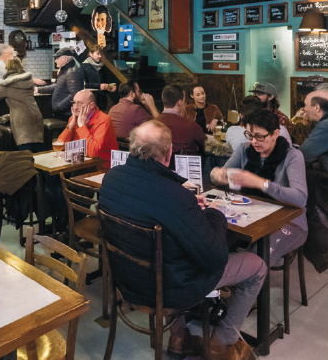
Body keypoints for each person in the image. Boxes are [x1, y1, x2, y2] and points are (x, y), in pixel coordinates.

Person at [99, 120, 265, 360]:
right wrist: (212, 214)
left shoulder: (111, 178)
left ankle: (179, 338)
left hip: (126, 279)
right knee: (256, 266)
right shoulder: (175, 196)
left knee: (168, 252)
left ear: (132, 147)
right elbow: (215, 257)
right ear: (169, 154)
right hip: (169, 289)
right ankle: (222, 343)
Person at [213, 109, 307, 265]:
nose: (254, 142)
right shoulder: (244, 149)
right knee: (213, 242)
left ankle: (242, 283)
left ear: (275, 134)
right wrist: (217, 175)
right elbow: (222, 174)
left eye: (260, 137)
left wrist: (260, 183)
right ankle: (223, 285)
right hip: (251, 215)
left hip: (290, 221)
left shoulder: (292, 156)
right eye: (250, 135)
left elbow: (301, 198)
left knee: (256, 259)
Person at [0, 57, 44, 153]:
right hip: (36, 115)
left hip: (21, 120)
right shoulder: (29, 80)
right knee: (38, 153)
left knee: (25, 154)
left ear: (7, 69)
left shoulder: (6, 84)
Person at [56, 90, 118, 168]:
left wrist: (82, 127)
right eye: (74, 102)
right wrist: (70, 127)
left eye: (80, 103)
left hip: (102, 166)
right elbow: (60, 146)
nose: (75, 107)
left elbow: (93, 152)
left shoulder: (103, 120)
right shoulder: (74, 118)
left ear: (91, 105)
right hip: (81, 166)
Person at [226, 95, 291, 151]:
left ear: (241, 115)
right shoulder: (281, 130)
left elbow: (227, 151)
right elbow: (289, 151)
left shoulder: (231, 131)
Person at [155, 85, 206, 155]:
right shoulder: (190, 125)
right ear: (180, 102)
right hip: (187, 165)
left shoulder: (152, 125)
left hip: (160, 165)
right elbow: (205, 145)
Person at [36, 47, 84, 119]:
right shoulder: (66, 70)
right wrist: (39, 90)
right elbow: (58, 85)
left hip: (66, 115)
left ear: (65, 59)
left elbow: (74, 95)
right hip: (62, 113)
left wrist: (59, 107)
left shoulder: (72, 72)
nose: (55, 61)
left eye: (57, 58)